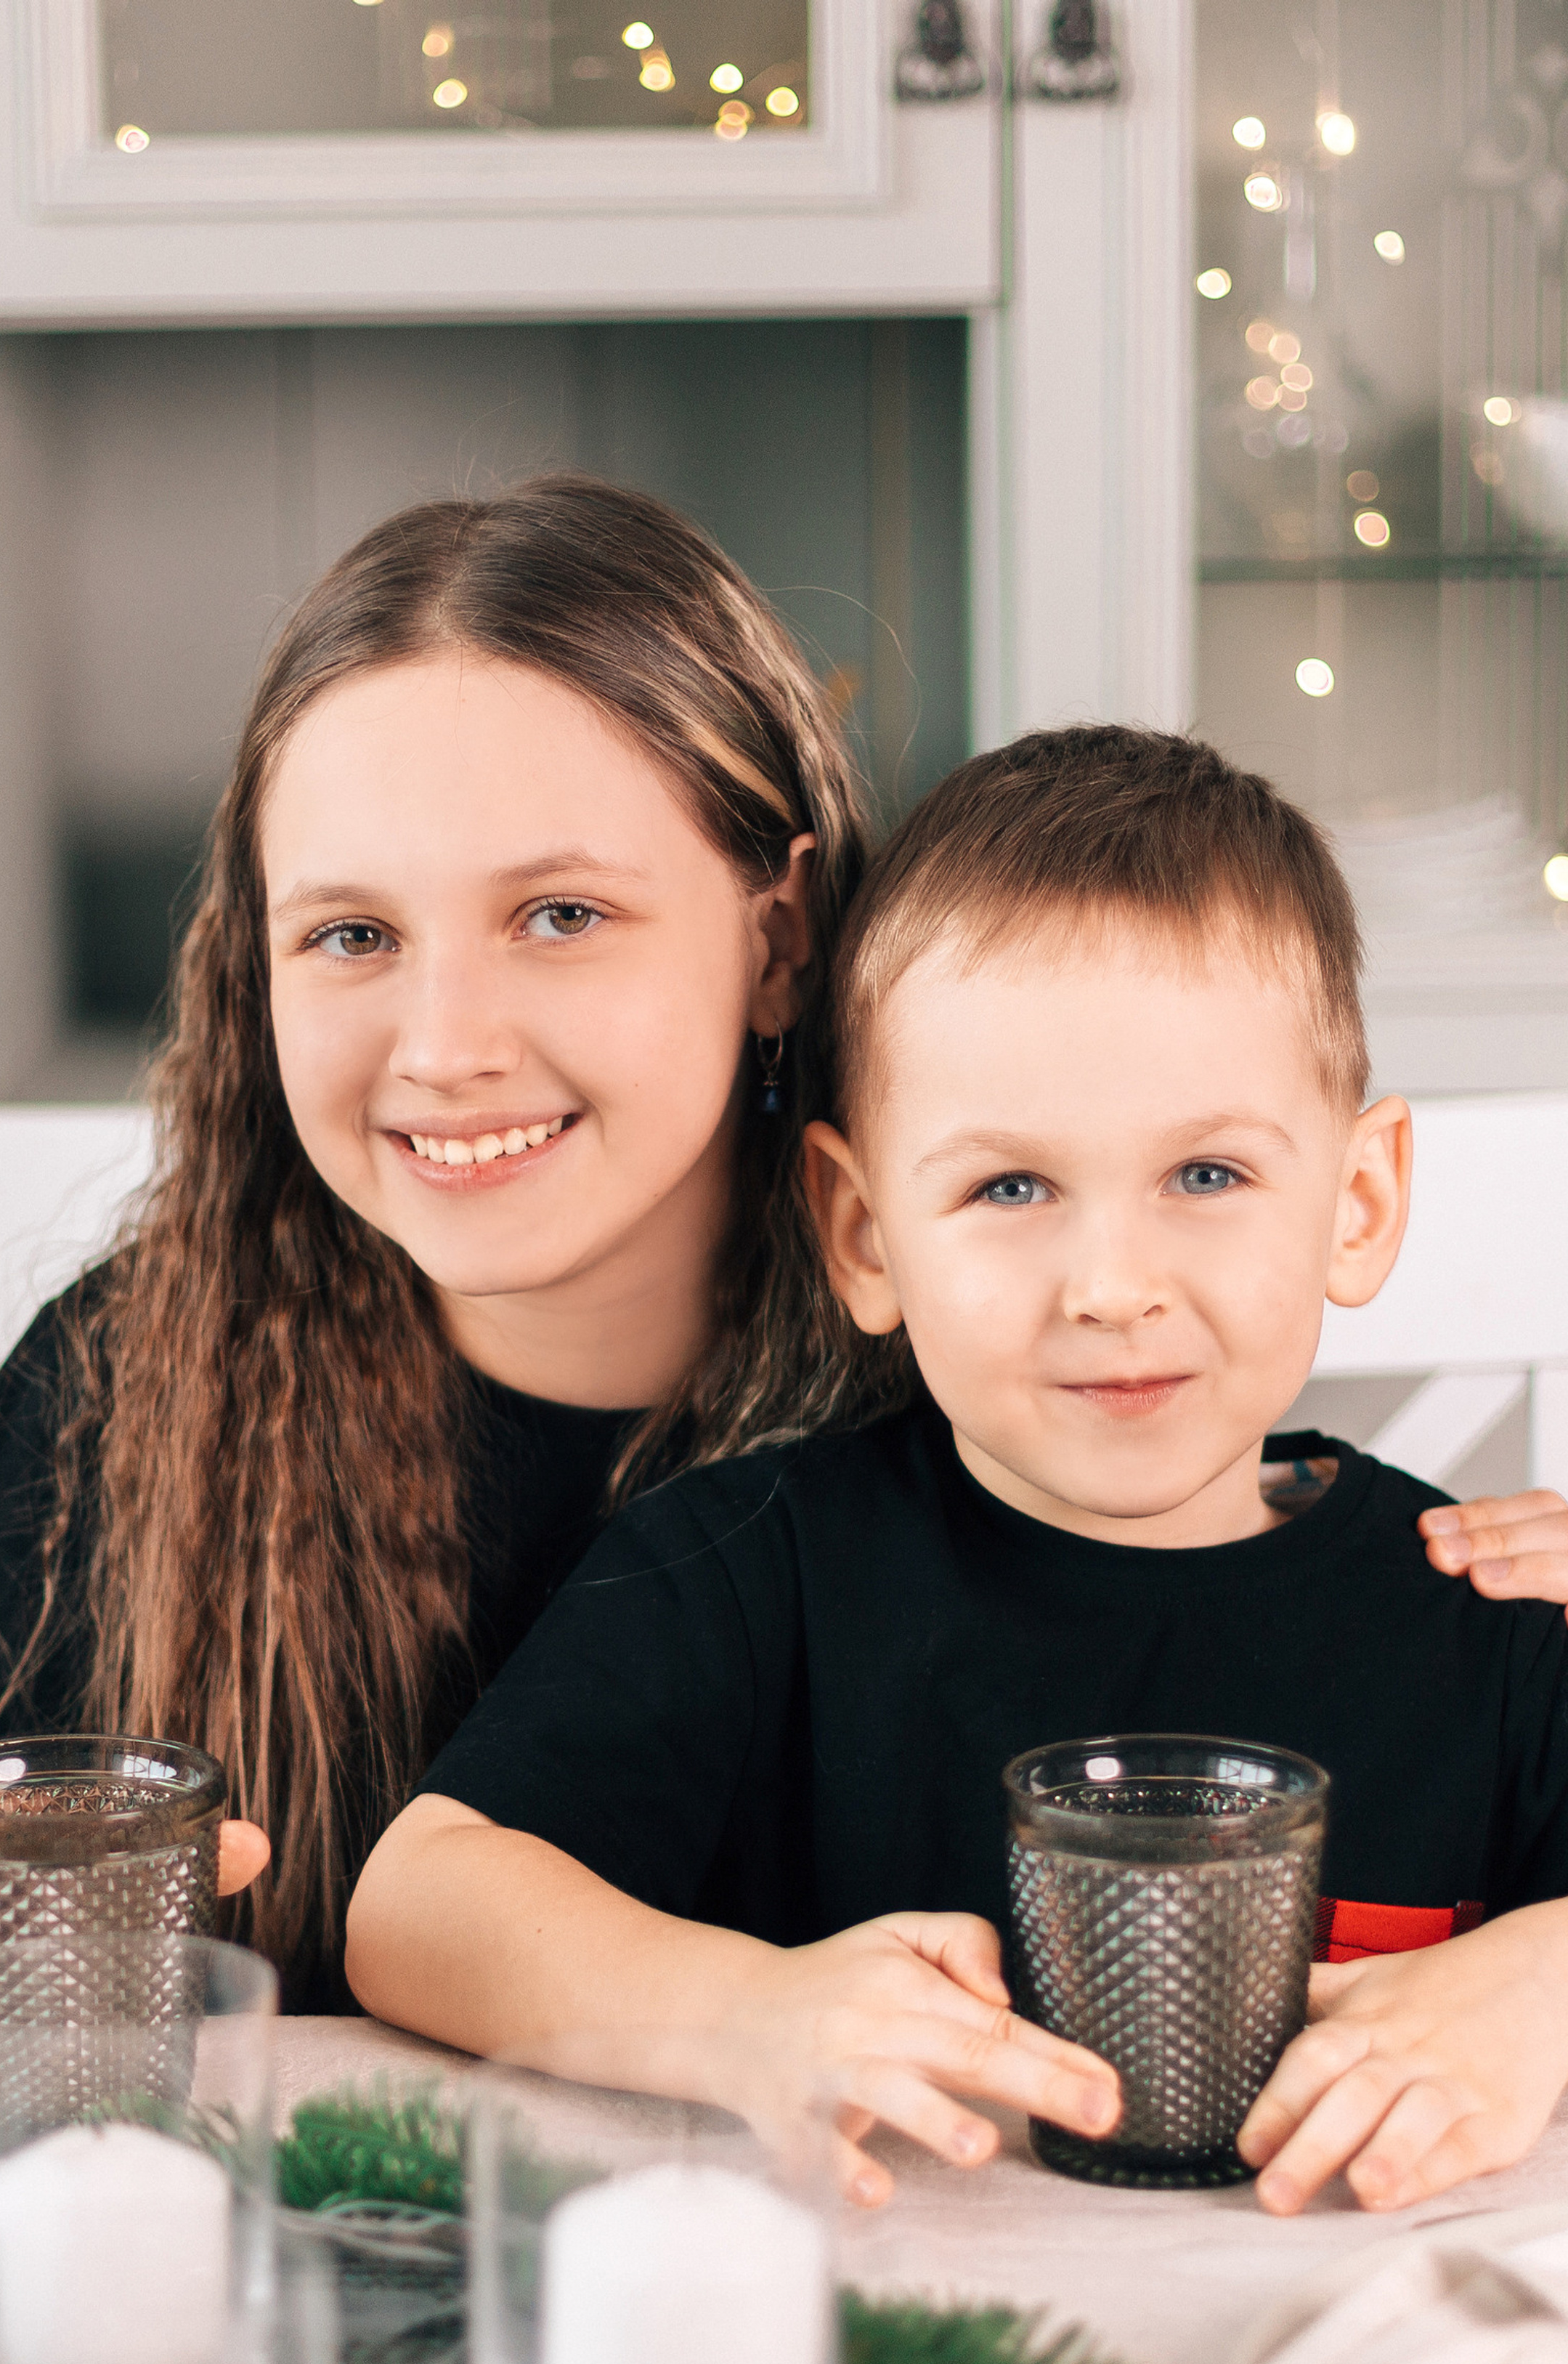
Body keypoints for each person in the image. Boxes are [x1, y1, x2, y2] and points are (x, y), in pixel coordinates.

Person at [0, 478, 1561, 2089]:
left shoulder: (1005, 1377)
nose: (447, 1043)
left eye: (559, 914)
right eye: (349, 934)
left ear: (778, 933)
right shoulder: (138, 1384)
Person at [346, 725, 1568, 2219]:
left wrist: (1539, 1983)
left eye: (1205, 1176)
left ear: (1356, 1201)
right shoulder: (758, 1563)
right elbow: (417, 1906)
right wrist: (743, 2013)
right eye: (1008, 1186)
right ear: (863, 1235)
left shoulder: (1491, 1612)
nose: (1110, 1284)